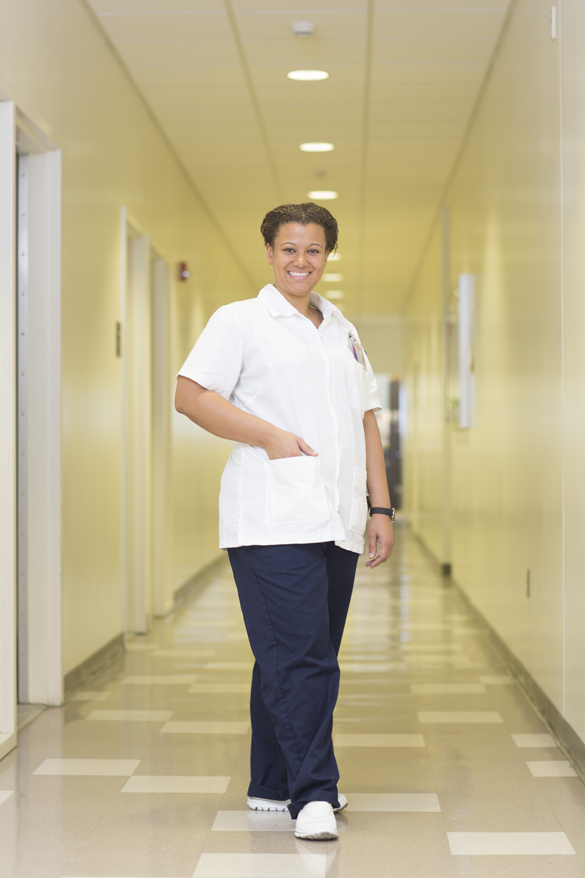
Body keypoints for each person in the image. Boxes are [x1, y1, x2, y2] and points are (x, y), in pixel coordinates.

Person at [175, 202, 394, 840]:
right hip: (273, 515)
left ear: (328, 255)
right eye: (289, 249)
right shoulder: (240, 321)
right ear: (269, 253)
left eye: (315, 250)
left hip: (338, 517)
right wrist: (268, 435)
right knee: (304, 659)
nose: (302, 261)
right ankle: (312, 794)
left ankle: (272, 782)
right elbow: (191, 396)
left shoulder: (341, 328)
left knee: (297, 653)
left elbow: (366, 420)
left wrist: (380, 506)